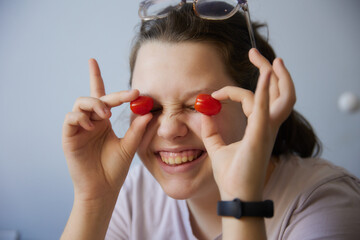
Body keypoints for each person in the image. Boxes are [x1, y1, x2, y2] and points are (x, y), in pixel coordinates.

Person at [60, 1, 360, 239]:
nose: (168, 129)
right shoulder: (134, 195)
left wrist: (240, 198)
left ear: (256, 104)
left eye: (196, 105)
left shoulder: (325, 203)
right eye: (149, 108)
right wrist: (93, 199)